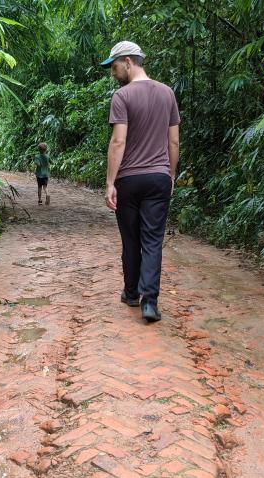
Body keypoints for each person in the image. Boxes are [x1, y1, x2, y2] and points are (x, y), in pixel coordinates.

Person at [101, 41, 180, 323]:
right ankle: (150, 302)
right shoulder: (167, 93)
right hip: (158, 177)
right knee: (153, 239)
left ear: (128, 61)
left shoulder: (122, 96)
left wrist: (110, 182)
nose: (113, 72)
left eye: (114, 66)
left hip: (129, 180)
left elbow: (118, 140)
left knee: (131, 238)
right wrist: (170, 175)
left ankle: (132, 293)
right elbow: (173, 141)